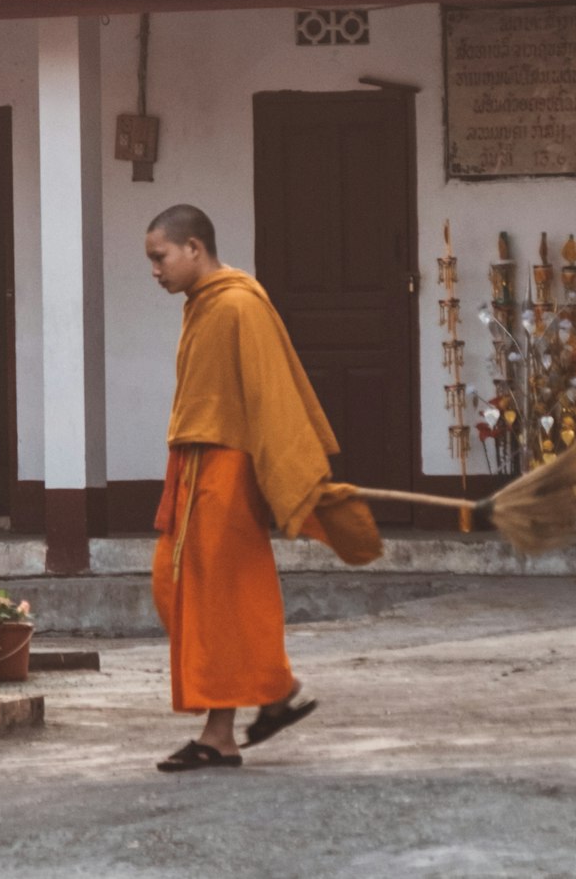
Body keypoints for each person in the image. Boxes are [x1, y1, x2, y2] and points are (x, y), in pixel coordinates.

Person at [144, 203, 383, 772]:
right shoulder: (204, 304)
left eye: (160, 257)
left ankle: (220, 733)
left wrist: (294, 475)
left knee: (219, 596)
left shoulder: (238, 304)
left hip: (224, 472)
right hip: (195, 466)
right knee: (184, 590)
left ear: (194, 248)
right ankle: (273, 689)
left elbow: (273, 396)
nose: (155, 270)